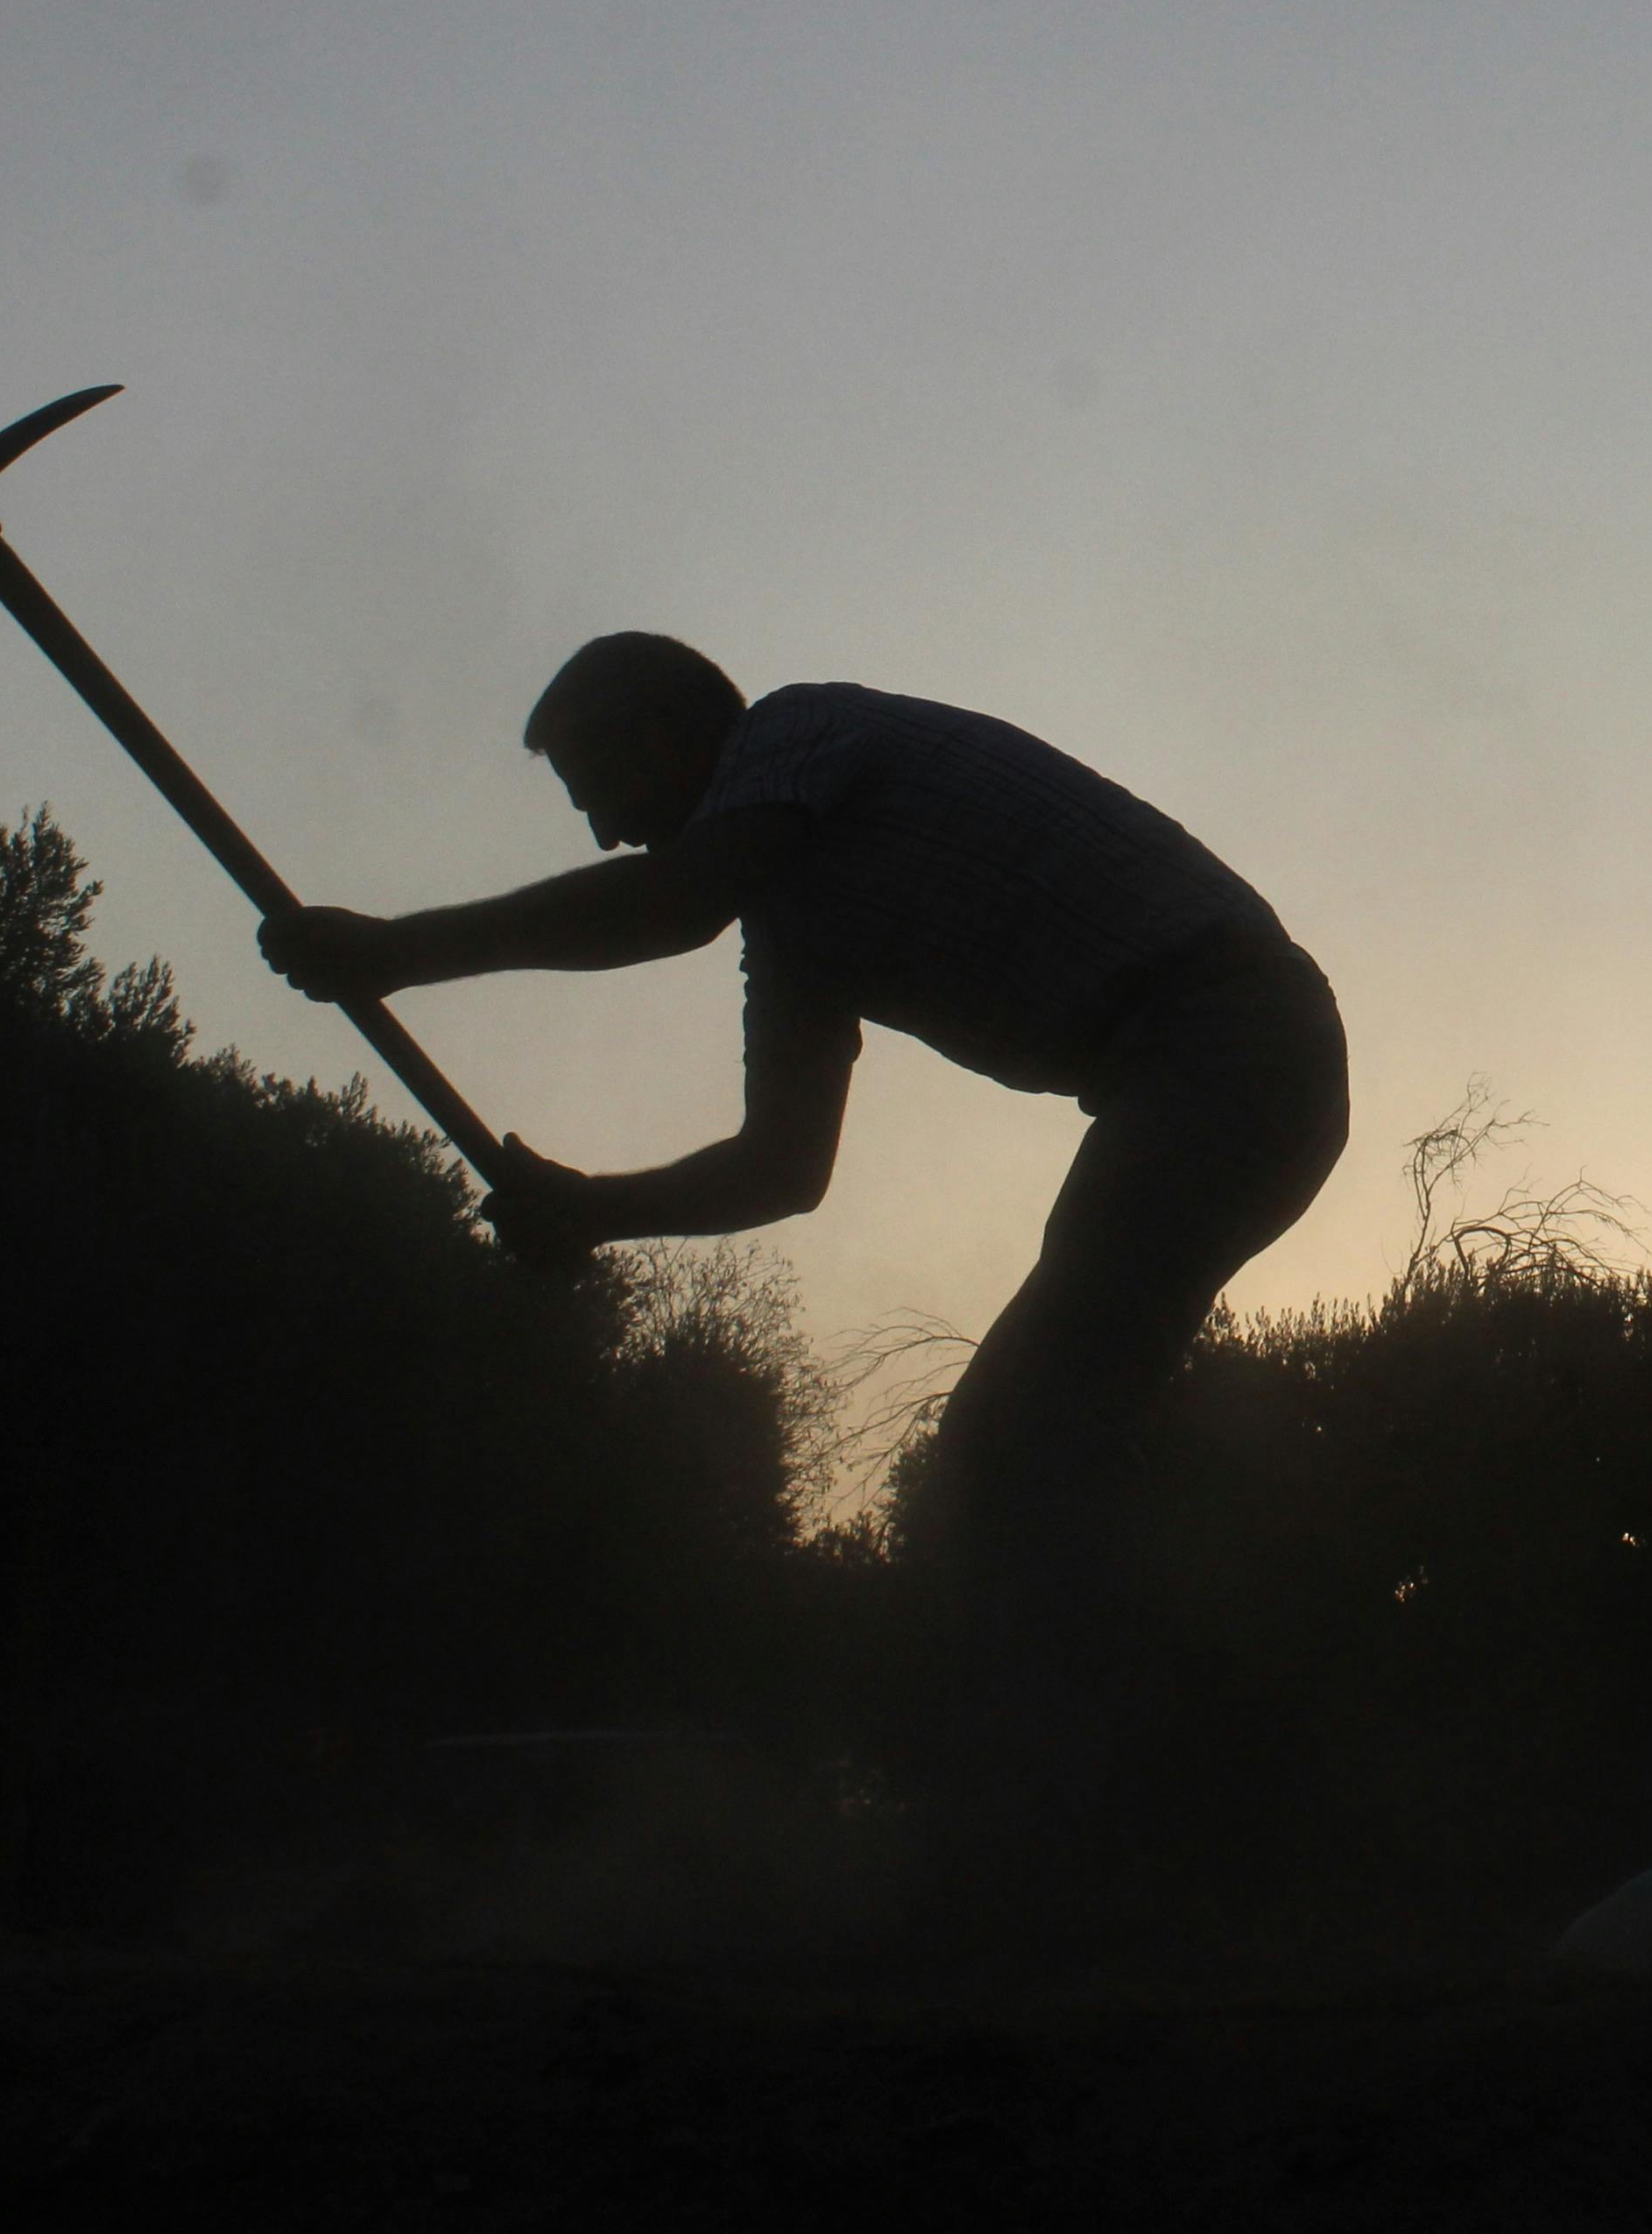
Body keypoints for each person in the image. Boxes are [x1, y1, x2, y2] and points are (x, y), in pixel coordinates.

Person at [258, 632, 1347, 1890]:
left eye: (599, 794)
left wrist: (396, 953)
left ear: (667, 740)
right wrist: (587, 1209)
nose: (609, 833)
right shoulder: (794, 933)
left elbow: (665, 905)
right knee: (1036, 1440)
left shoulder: (804, 730)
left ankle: (1092, 1837)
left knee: (1019, 1444)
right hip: (1197, 1074)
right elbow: (784, 1169)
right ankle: (1114, 1822)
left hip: (1229, 1040)